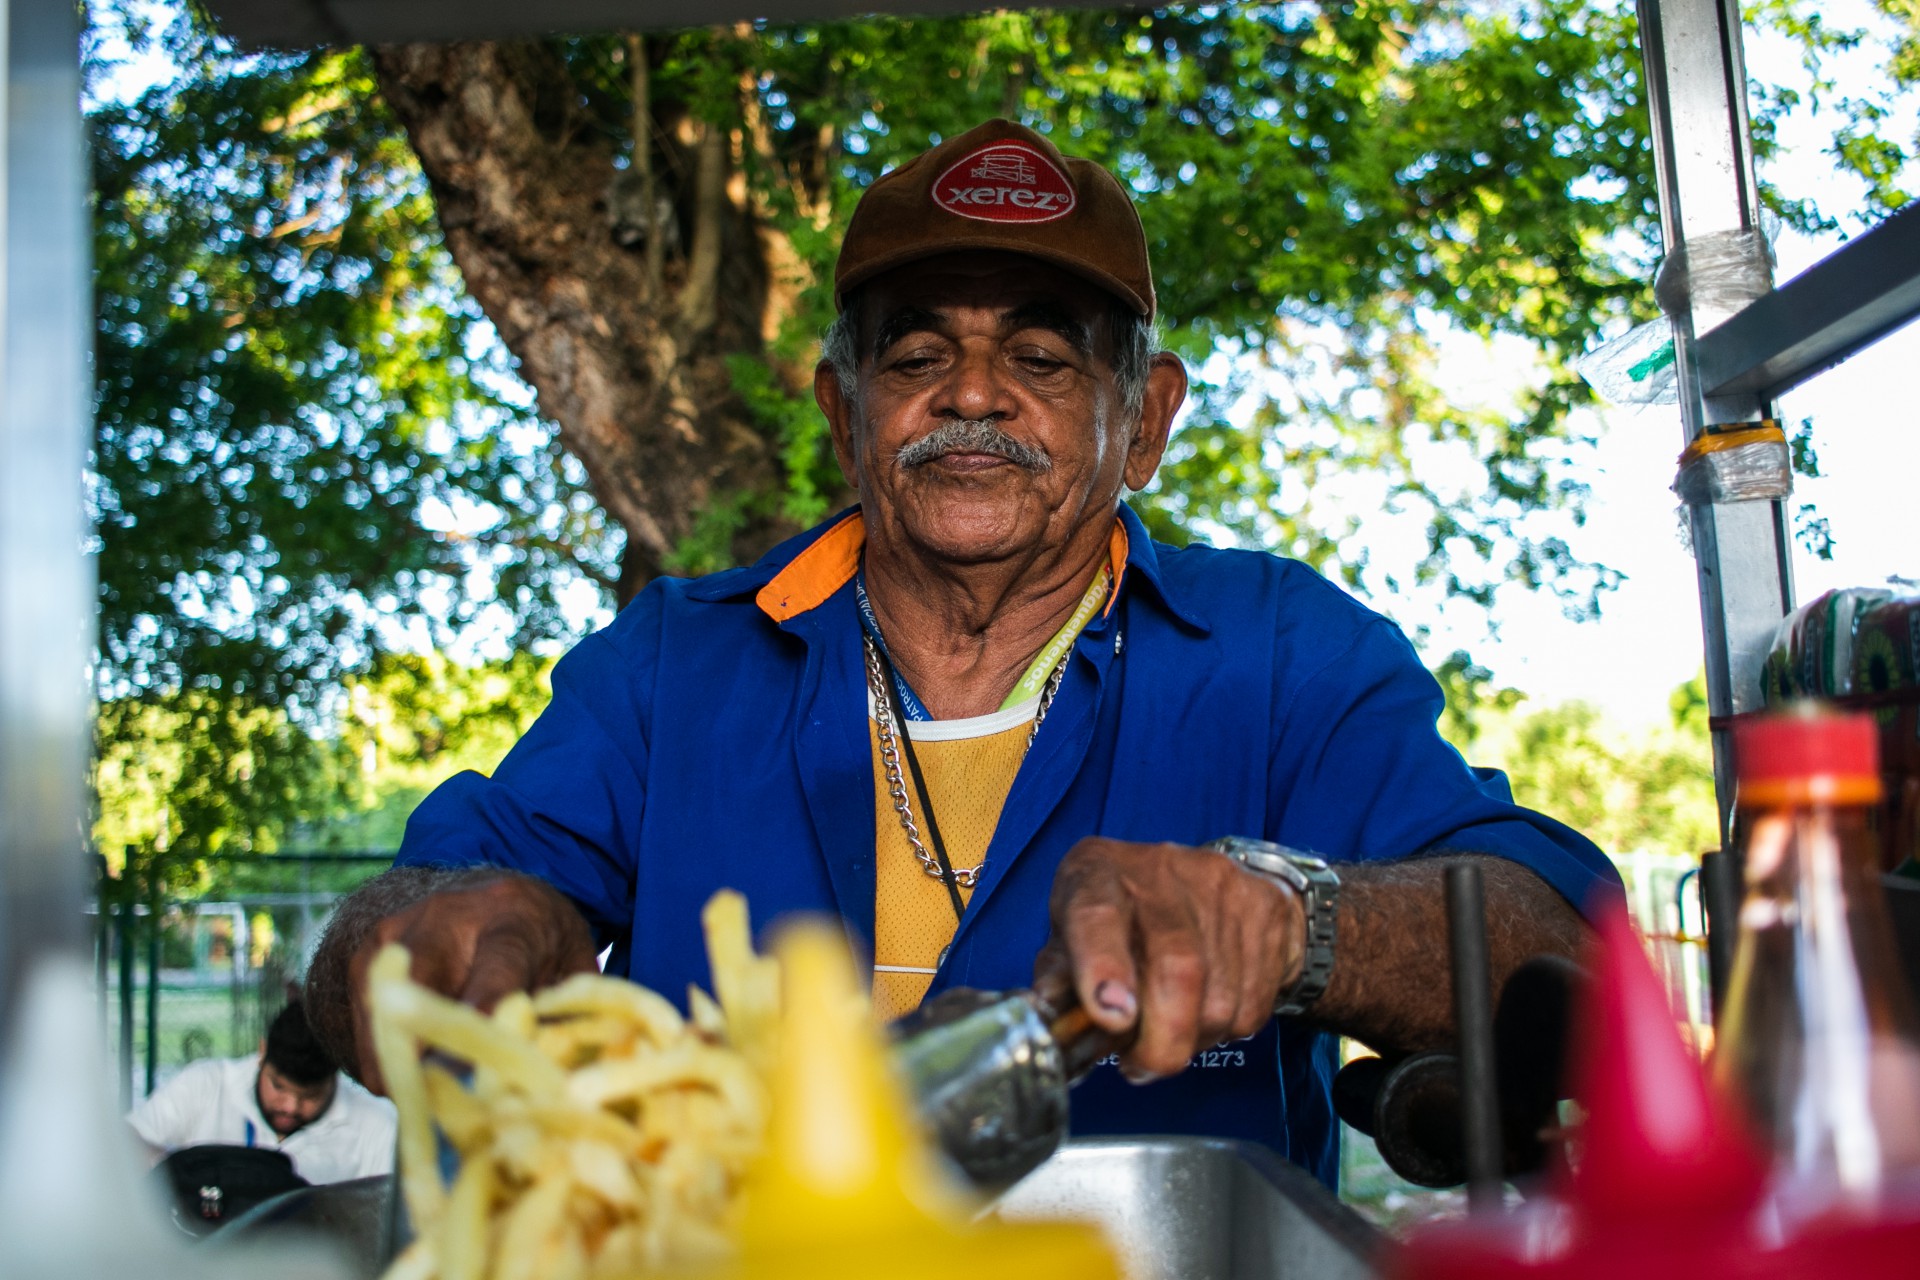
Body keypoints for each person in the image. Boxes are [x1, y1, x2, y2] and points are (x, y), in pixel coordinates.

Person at [306, 118, 1620, 1187]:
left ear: (1145, 421)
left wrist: (1299, 924)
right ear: (844, 413)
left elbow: (1561, 947)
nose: (974, 393)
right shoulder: (672, 665)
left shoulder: (1282, 654)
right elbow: (407, 914)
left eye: (1040, 357)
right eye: (918, 353)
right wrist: (429, 937)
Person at [127, 999, 396, 1185]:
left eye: (310, 1096)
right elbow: (127, 1140)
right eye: (278, 1086)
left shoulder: (377, 1125)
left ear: (336, 1074)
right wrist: (178, 1173)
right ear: (262, 1051)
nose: (290, 1106)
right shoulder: (205, 1085)